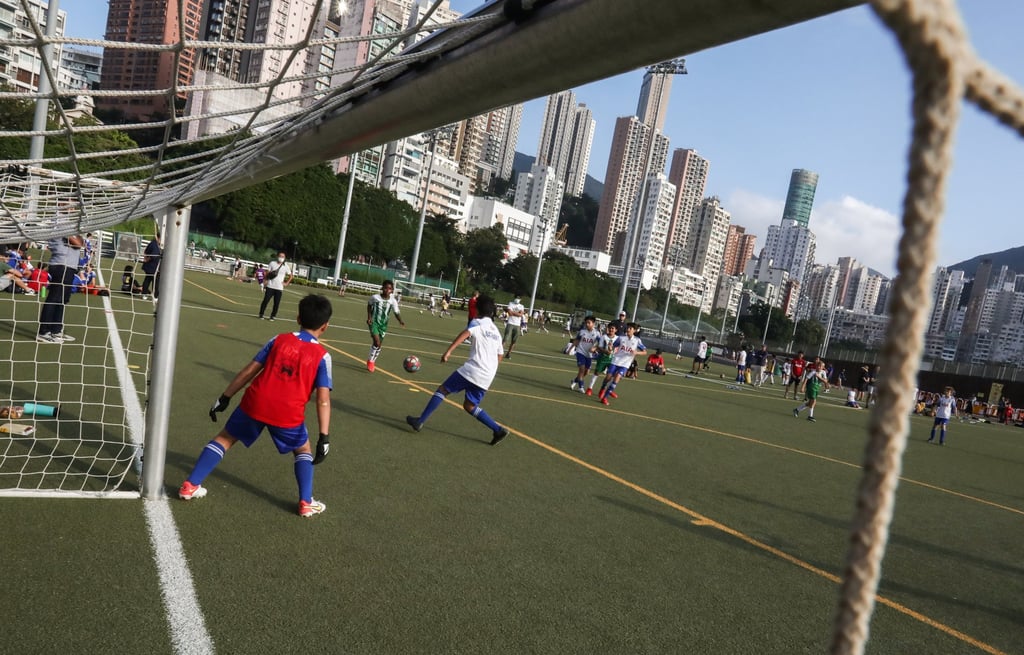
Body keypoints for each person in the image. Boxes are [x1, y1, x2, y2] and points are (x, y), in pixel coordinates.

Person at [179, 294, 333, 517]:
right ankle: (306, 502)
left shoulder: (278, 339)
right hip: (288, 412)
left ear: (298, 317)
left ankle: (190, 485)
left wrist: (225, 397)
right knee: (303, 449)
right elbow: (323, 399)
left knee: (225, 438)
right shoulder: (322, 356)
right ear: (325, 326)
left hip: (255, 401)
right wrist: (324, 436)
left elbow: (249, 370)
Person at [406, 295, 509, 445]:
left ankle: (420, 421)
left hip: (473, 369)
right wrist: (490, 368)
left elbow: (465, 333)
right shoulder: (496, 332)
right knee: (469, 406)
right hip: (487, 375)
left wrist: (448, 352)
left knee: (443, 390)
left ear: (477, 309)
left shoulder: (477, 322)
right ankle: (497, 429)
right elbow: (500, 355)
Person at [37, 233, 83, 343]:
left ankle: (55, 330)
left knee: (62, 300)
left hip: (69, 266)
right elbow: (78, 244)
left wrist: (78, 235)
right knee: (54, 298)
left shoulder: (72, 227)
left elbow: (81, 242)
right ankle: (43, 332)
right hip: (61, 265)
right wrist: (77, 235)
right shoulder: (62, 223)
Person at [597, 322, 646, 405]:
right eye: (628, 328)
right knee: (608, 377)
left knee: (617, 378)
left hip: (625, 364)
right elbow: (613, 347)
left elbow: (645, 352)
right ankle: (602, 389)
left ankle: (605, 397)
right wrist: (610, 347)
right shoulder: (621, 338)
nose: (628, 329)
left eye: (630, 328)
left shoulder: (637, 340)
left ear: (634, 331)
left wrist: (636, 352)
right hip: (616, 360)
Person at [365, 279, 405, 372]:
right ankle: (370, 362)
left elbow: (396, 312)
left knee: (378, 346)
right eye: (386, 288)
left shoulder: (393, 301)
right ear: (382, 288)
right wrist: (369, 317)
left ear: (392, 290)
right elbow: (369, 305)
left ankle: (372, 361)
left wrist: (400, 321)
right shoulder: (375, 297)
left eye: (390, 289)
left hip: (383, 325)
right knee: (377, 342)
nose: (387, 290)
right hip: (374, 322)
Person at [570, 315, 601, 394]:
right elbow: (577, 341)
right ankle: (581, 386)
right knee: (582, 369)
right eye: (586, 323)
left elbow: (600, 344)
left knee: (586, 372)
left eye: (589, 323)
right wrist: (570, 348)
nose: (587, 324)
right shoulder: (582, 332)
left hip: (589, 355)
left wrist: (595, 348)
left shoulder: (597, 333)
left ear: (593, 324)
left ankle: (575, 381)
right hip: (580, 352)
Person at [258, 251, 294, 321]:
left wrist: (286, 283)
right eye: (280, 256)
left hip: (279, 288)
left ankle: (273, 316)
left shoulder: (286, 266)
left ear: (285, 258)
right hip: (270, 286)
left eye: (283, 257)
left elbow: (291, 276)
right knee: (266, 300)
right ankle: (261, 314)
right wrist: (265, 281)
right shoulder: (272, 263)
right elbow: (267, 273)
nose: (281, 258)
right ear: (277, 256)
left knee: (276, 303)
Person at [586, 322, 617, 395]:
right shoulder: (604, 337)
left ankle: (608, 390)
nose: (611, 330)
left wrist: (613, 350)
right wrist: (606, 351)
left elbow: (618, 348)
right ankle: (589, 388)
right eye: (610, 328)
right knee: (597, 373)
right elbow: (599, 347)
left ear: (616, 330)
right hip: (603, 358)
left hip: (612, 359)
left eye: (613, 328)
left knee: (611, 375)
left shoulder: (618, 338)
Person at [141, 232, 162, 299]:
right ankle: (155, 296)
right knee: (155, 282)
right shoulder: (155, 245)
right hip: (154, 266)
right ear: (158, 238)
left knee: (148, 279)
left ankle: (144, 294)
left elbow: (145, 251)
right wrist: (147, 259)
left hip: (150, 266)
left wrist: (146, 258)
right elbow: (154, 255)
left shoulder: (152, 243)